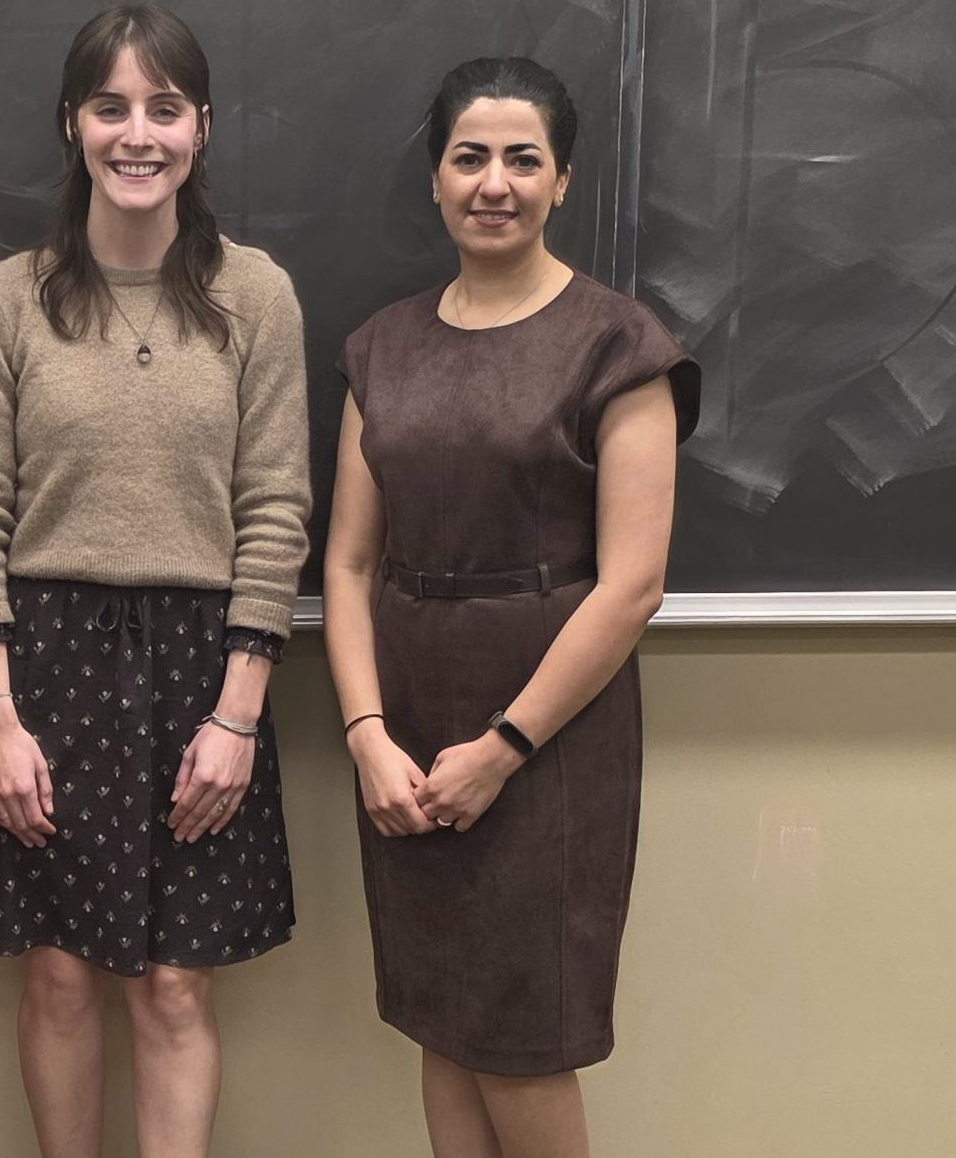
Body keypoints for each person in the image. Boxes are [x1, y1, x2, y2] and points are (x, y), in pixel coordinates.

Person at [0, 2, 310, 1158]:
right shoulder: (6, 299)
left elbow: (277, 509)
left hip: (207, 666)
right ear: (71, 124)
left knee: (173, 986)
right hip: (39, 659)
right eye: (110, 107)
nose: (135, 133)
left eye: (162, 107)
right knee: (55, 976)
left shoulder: (258, 297)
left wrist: (237, 716)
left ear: (202, 125)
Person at [324, 57, 699, 1158]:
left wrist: (503, 745)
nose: (494, 181)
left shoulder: (617, 342)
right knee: (443, 1021)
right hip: (403, 719)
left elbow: (632, 582)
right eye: (469, 156)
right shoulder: (378, 346)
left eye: (521, 159)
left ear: (562, 179)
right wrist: (365, 737)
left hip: (550, 734)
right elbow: (346, 564)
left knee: (522, 1035)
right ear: (436, 179)